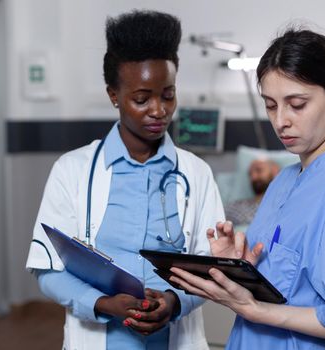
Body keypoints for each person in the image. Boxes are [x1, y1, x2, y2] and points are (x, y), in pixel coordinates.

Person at [170, 28, 325, 349]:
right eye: (271, 105)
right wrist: (239, 268)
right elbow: (286, 282)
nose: (280, 121)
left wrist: (258, 310)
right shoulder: (284, 181)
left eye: (296, 104)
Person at [25, 10, 224, 350]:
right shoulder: (71, 170)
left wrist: (174, 302)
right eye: (142, 99)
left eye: (168, 94)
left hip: (175, 339)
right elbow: (48, 269)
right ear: (113, 95)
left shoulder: (196, 174)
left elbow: (210, 267)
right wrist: (102, 305)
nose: (159, 110)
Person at [225, 158, 279, 227]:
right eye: (250, 174)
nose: (253, 177)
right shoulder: (235, 207)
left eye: (259, 170)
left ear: (276, 172)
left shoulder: (286, 207)